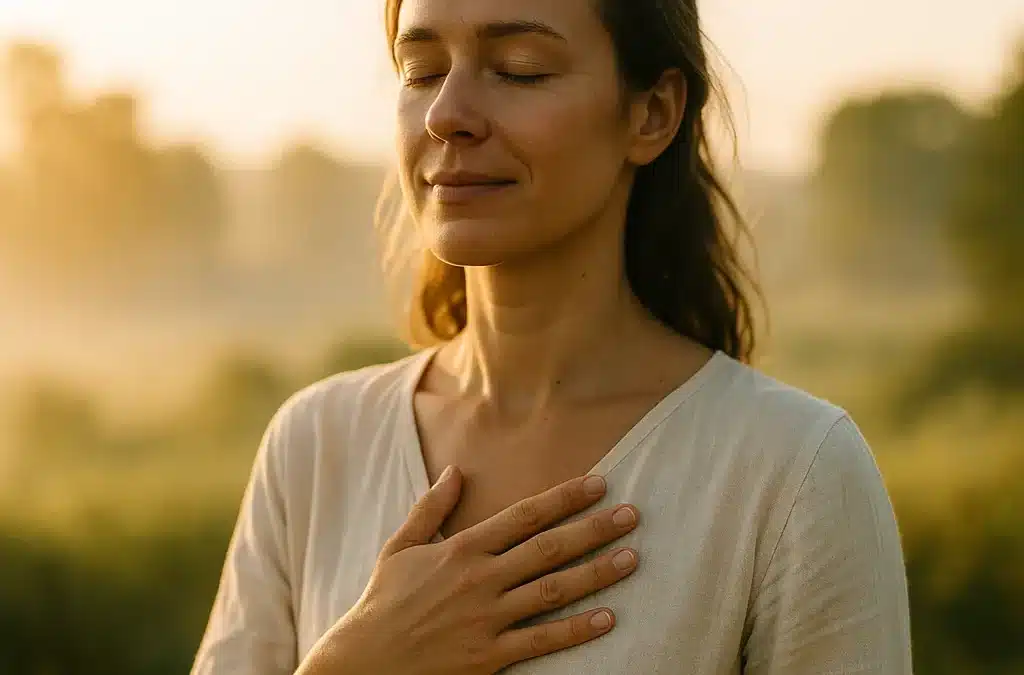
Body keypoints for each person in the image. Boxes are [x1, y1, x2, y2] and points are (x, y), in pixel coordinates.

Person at [191, 0, 914, 672]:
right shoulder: (313, 448)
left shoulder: (793, 473)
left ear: (652, 113)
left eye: (518, 71)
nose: (447, 114)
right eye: (422, 71)